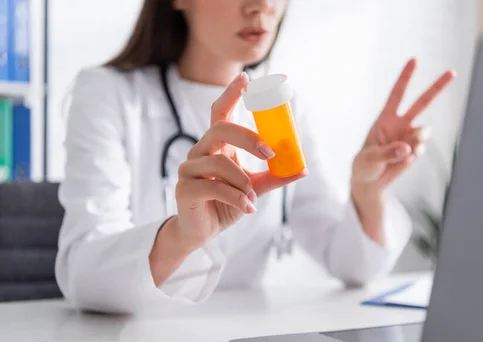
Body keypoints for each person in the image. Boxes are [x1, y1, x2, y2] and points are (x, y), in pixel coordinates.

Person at [55, 0, 455, 313]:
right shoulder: (107, 94)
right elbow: (83, 273)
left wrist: (368, 191)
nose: (262, 4)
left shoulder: (282, 108)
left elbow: (352, 264)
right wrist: (183, 235)